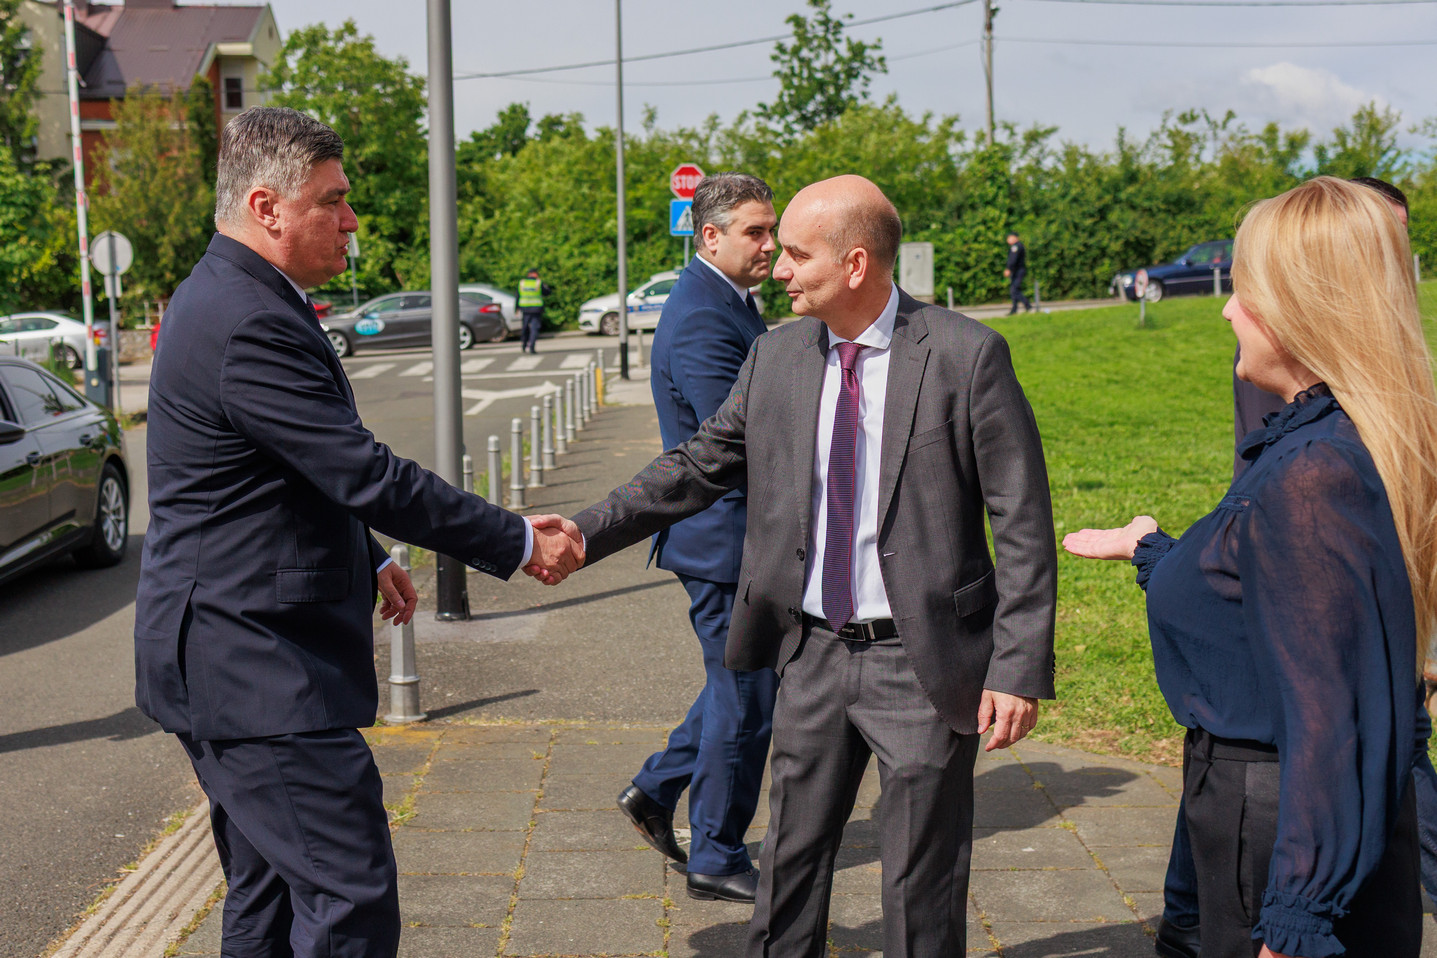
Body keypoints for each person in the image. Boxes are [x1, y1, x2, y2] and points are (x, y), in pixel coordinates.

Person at [549, 174, 1058, 956]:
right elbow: (695, 465)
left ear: (854, 264)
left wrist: (1016, 667)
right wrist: (584, 532)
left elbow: (1020, 520)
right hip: (810, 654)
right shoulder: (776, 356)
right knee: (787, 872)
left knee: (920, 890)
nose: (778, 268)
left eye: (794, 253)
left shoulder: (964, 356)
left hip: (922, 665)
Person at [134, 106, 583, 957]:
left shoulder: (235, 292)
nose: (351, 220)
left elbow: (274, 468)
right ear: (266, 207)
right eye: (331, 200)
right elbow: (365, 473)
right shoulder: (247, 316)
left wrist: (366, 553)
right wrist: (518, 540)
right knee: (349, 898)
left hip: (229, 655)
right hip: (255, 667)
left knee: (269, 895)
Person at [1065, 176, 1433, 957]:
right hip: (1257, 817)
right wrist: (1150, 550)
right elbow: (1263, 591)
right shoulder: (1318, 441)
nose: (1227, 310)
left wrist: (1294, 921)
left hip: (1275, 834)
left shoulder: (1312, 474)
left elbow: (1328, 718)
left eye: (1244, 290)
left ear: (1299, 309)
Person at [615, 172, 780, 904]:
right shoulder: (704, 317)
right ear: (709, 236)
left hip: (732, 538)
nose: (770, 245)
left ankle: (657, 788)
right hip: (724, 542)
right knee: (746, 697)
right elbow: (734, 443)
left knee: (739, 686)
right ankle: (715, 853)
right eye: (755, 232)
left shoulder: (727, 300)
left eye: (771, 231)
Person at [517, 267, 552, 353]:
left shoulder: (522, 283)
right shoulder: (538, 283)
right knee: (534, 328)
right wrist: (546, 287)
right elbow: (547, 292)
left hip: (525, 309)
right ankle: (531, 347)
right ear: (533, 274)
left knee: (525, 328)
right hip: (536, 309)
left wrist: (516, 308)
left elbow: (517, 296)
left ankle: (524, 345)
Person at [1004, 231, 1033, 314]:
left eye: (1009, 238)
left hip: (1017, 271)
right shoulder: (1017, 246)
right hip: (1017, 271)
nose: (1008, 240)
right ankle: (1014, 309)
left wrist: (1009, 269)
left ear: (1014, 238)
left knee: (1014, 290)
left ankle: (1027, 305)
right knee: (1014, 290)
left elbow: (1013, 260)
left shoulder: (1016, 247)